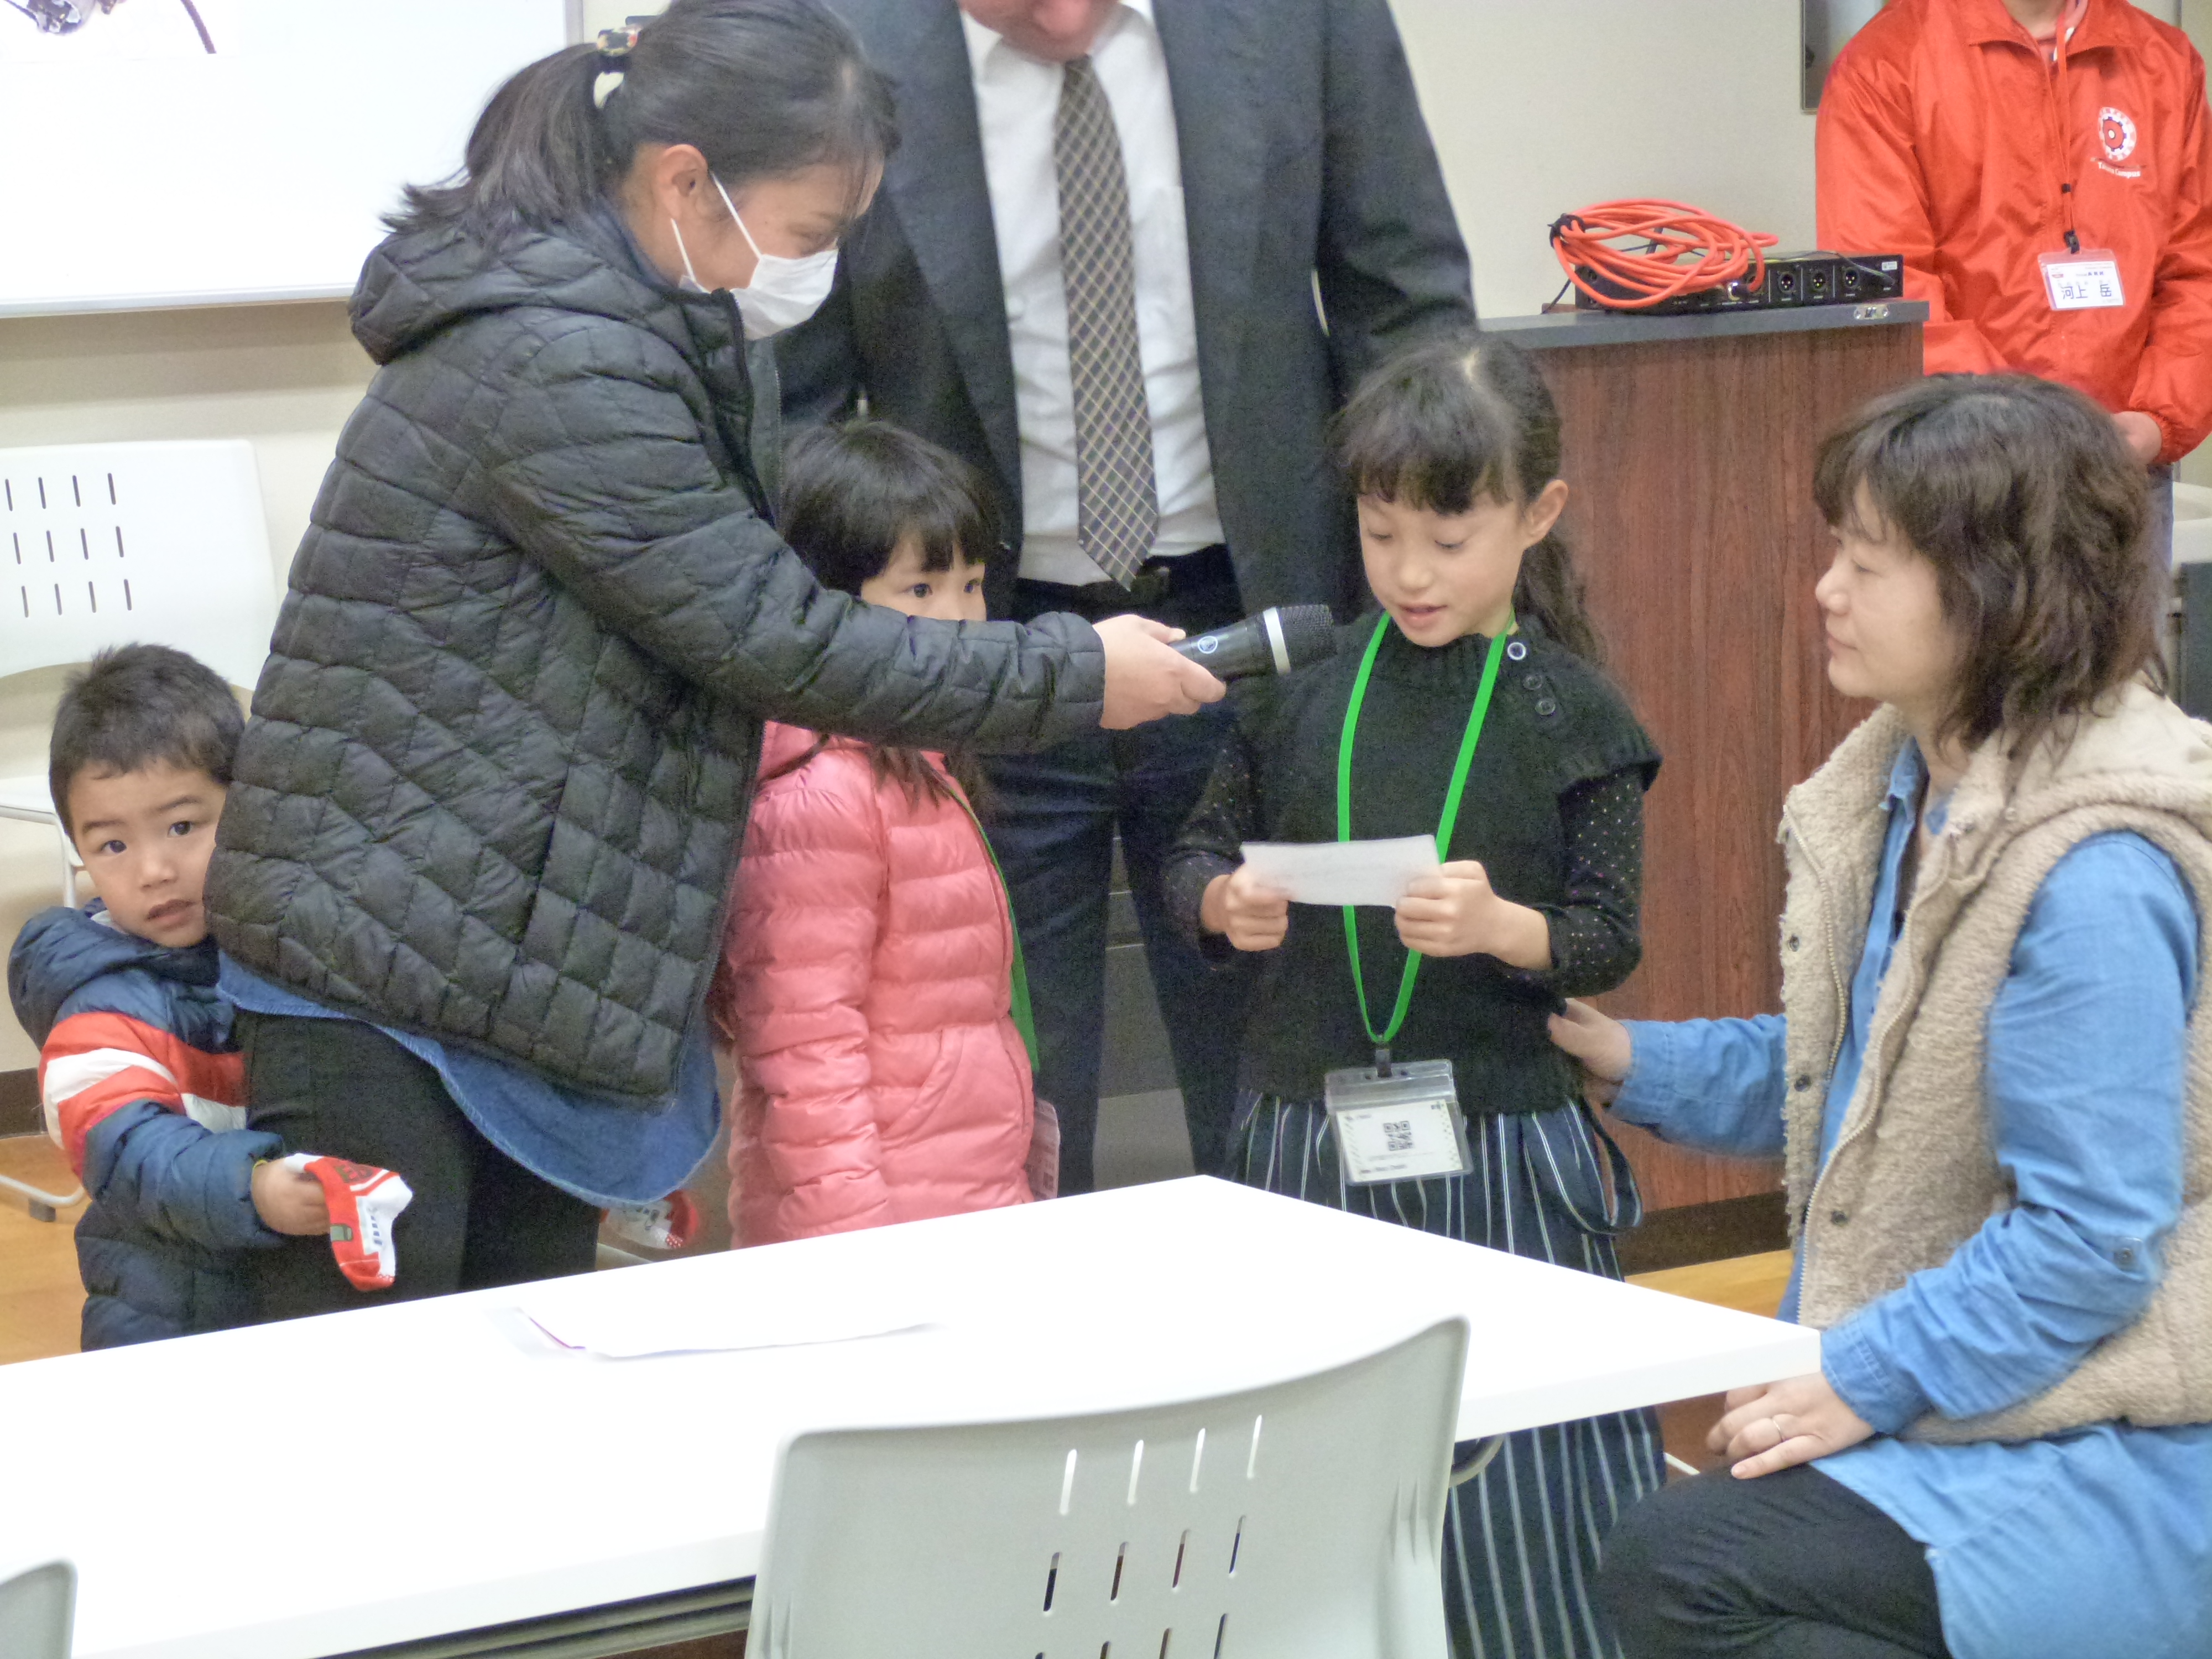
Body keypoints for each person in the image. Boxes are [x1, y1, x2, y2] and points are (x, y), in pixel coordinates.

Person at [204, 0, 1220, 1322]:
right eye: (807, 231)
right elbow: (772, 633)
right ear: (686, 181)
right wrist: (1072, 674)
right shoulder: (560, 355)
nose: (810, 268)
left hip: (492, 942)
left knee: (513, 1357)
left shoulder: (637, 324)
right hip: (386, 956)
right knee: (386, 1384)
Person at [1556, 376, 2212, 1659]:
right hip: (1981, 1373)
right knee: (1672, 1544)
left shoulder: (2093, 876)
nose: (1825, 590)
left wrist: (1858, 1376)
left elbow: (2087, 1245)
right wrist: (1620, 1061)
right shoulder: (1905, 789)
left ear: (1993, 593)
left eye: (1865, 563)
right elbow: (1861, 1084)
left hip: (2116, 1426)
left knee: (1682, 1567)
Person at [778, 0, 1475, 1193]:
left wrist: (1429, 605)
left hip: (1257, 630)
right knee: (987, 1107)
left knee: (1282, 1090)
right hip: (974, 654)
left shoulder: (1300, 20)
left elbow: (1402, 307)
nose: (1058, 18)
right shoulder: (839, 38)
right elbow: (790, 402)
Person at [1165, 336, 1666, 1658]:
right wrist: (1222, 903)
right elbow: (1195, 855)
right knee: (1310, 1445)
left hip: (1501, 1142)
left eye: (1449, 539)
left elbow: (1605, 937)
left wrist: (1502, 928)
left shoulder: (1572, 713)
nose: (1410, 573)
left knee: (1521, 1461)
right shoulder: (1300, 694)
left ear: (1536, 517)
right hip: (1304, 1132)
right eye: (1382, 534)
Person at [711, 420, 1046, 1244]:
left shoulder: (920, 760)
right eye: (921, 591)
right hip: (876, 1236)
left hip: (962, 1199)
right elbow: (805, 1057)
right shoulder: (822, 791)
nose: (961, 619)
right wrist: (856, 1254)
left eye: (972, 584)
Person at [6, 647, 331, 1346]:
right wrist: (255, 1188)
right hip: (168, 1323)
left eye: (182, 827)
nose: (153, 870)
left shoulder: (283, 945)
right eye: (112, 846)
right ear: (79, 852)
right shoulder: (95, 1007)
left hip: (290, 1307)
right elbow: (132, 1153)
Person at [1816, 0, 2212, 554]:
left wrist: (2156, 420)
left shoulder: (2163, 61)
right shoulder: (1889, 61)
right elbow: (1890, 280)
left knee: (2118, 618)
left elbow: (2197, 269)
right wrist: (2013, 425)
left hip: (2119, 470)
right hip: (1962, 470)